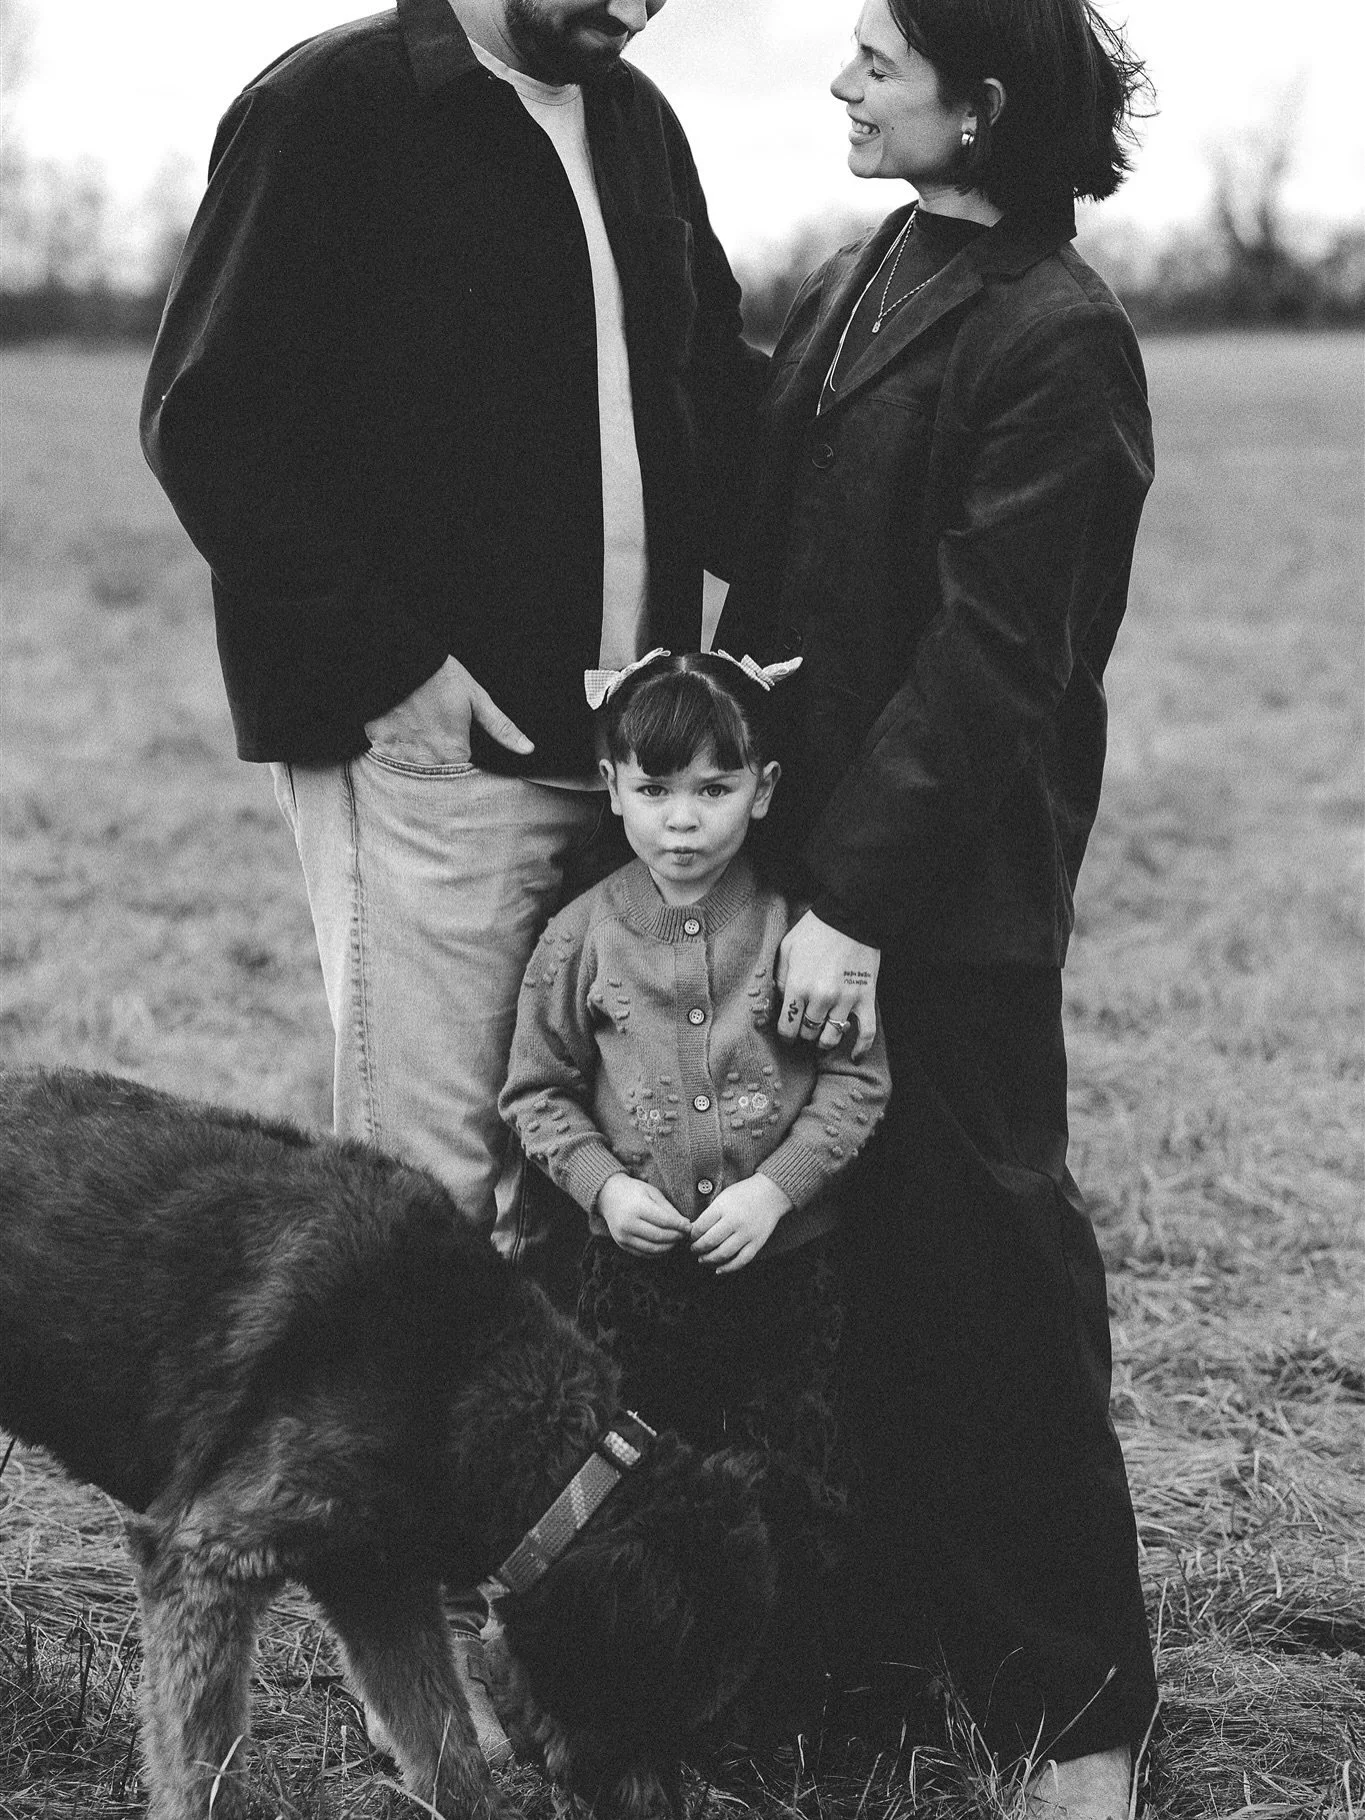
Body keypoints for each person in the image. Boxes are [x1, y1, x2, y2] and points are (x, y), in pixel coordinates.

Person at [139, 0, 762, 1767]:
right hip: (433, 751)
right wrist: (395, 664)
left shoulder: (631, 119)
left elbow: (713, 385)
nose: (636, 8)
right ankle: (430, 1705)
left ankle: (572, 1619)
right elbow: (211, 419)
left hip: (626, 768)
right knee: (429, 1205)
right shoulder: (330, 108)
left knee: (583, 1183)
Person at [715, 1, 1157, 1815]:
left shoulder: (1061, 339)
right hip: (811, 876)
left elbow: (996, 664)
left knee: (994, 1293)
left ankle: (1084, 1728)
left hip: (943, 906)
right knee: (860, 1302)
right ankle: (882, 1667)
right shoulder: (860, 268)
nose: (840, 84)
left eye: (876, 65)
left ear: (983, 109)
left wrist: (853, 906)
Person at [499, 650, 891, 1724]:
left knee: (793, 1479)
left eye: (714, 790)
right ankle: (634, 1696)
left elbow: (859, 1080)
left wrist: (776, 1192)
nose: (684, 820)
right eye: (656, 789)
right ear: (612, 786)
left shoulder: (798, 931)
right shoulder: (578, 936)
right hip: (635, 1280)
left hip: (789, 1279)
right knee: (636, 1483)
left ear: (760, 791)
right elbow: (535, 1091)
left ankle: (787, 1700)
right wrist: (601, 1190)